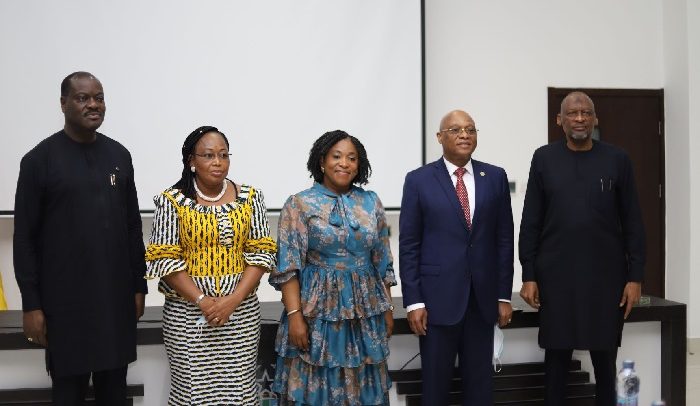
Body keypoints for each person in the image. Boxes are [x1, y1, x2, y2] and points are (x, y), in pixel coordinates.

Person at [13, 71, 147, 405]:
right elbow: (24, 238)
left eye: (99, 98)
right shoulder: (38, 161)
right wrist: (31, 304)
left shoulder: (119, 156)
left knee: (114, 393)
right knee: (68, 395)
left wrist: (138, 286)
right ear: (63, 104)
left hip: (115, 302)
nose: (93, 105)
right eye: (82, 98)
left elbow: (132, 226)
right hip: (65, 307)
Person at [519, 91, 645, 406]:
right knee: (556, 359)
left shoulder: (617, 159)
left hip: (606, 279)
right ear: (559, 120)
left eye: (586, 113)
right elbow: (530, 221)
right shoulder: (544, 158)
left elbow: (633, 221)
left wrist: (635, 277)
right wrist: (529, 274)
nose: (579, 119)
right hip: (555, 278)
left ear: (595, 119)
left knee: (605, 360)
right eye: (572, 113)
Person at [144, 125, 276, 405]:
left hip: (240, 315)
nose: (218, 162)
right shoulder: (172, 201)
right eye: (208, 155)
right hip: (187, 315)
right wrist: (203, 301)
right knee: (192, 393)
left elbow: (261, 253)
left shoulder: (251, 198)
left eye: (224, 155)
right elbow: (165, 259)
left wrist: (233, 300)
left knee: (240, 393)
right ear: (191, 161)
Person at [269, 130, 396, 405]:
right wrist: (295, 316)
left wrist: (388, 308)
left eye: (352, 158)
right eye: (336, 156)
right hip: (317, 314)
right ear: (322, 161)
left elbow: (382, 259)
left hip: (365, 313)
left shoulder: (371, 202)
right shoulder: (299, 204)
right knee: (317, 380)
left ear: (359, 165)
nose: (344, 163)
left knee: (363, 384)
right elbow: (288, 266)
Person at [399, 110, 514, 405]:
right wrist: (414, 301)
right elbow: (409, 244)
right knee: (435, 389)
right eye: (455, 129)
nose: (464, 134)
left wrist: (503, 295)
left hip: (482, 301)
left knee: (480, 389)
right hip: (436, 302)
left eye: (470, 129)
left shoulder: (495, 177)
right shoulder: (418, 180)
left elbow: (503, 240)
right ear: (440, 137)